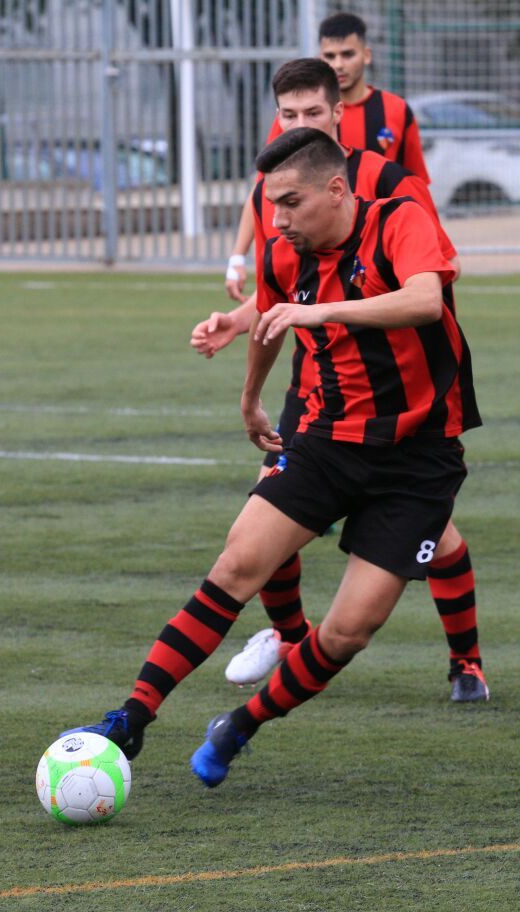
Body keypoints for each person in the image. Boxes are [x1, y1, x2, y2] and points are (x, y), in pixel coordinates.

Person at [66, 127, 480, 787]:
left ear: (337, 189)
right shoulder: (288, 249)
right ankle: (130, 717)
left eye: (290, 203)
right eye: (270, 204)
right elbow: (271, 315)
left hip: (418, 459)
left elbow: (425, 299)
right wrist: (251, 396)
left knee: (348, 631)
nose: (277, 219)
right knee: (237, 563)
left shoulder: (399, 219)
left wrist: (321, 316)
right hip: (324, 441)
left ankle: (241, 725)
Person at [196, 59, 486, 702]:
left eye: (311, 113)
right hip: (318, 382)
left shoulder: (388, 182)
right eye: (288, 114)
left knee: (435, 534)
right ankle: (290, 638)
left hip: (400, 391)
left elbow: (427, 272)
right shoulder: (277, 176)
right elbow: (284, 288)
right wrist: (240, 321)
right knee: (266, 514)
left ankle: (466, 660)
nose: (300, 123)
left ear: (338, 113)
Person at [224, 12, 429, 303]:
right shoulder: (293, 120)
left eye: (347, 54)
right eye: (329, 55)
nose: (339, 64)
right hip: (319, 252)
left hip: (376, 260)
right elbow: (263, 191)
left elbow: (415, 187)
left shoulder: (394, 113)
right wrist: (237, 257)